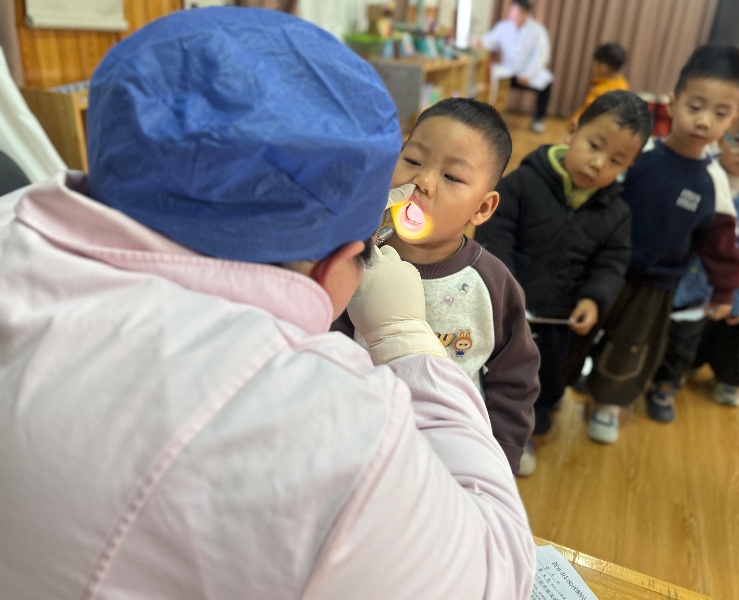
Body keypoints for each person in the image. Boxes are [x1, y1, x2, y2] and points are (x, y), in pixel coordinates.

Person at [0, 8, 537, 599]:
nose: (425, 182)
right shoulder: (334, 433)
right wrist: (406, 337)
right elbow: (493, 574)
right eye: (411, 159)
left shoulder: (12, 222)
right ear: (338, 265)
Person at [335, 97, 541, 476]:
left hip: (447, 458)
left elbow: (515, 380)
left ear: (482, 208)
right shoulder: (356, 257)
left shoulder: (491, 284)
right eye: (413, 160)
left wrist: (500, 459)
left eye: (452, 177)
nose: (423, 182)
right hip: (358, 443)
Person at [582, 44, 739, 444]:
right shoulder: (638, 153)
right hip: (604, 268)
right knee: (580, 329)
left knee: (631, 346)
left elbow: (721, 244)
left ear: (734, 118)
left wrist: (725, 291)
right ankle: (559, 386)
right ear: (673, 103)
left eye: (720, 114)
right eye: (695, 106)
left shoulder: (714, 182)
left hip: (656, 284)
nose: (704, 121)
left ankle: (608, 404)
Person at [475, 90, 652, 454]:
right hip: (505, 309)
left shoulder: (616, 213)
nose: (598, 164)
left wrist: (594, 298)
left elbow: (612, 261)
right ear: (571, 132)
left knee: (549, 375)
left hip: (561, 317)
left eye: (616, 161)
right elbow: (496, 234)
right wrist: (504, 288)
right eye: (594, 146)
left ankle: (529, 430)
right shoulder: (523, 183)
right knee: (493, 369)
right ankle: (483, 422)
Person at [646, 88, 739, 418]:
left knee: (682, 345)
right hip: (664, 277)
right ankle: (618, 377)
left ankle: (665, 387)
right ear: (724, 134)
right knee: (641, 331)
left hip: (702, 294)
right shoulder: (698, 174)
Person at [481, 0, 553, 133]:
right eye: (511, 12)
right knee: (491, 80)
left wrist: (528, 74)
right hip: (507, 70)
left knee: (547, 83)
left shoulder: (538, 30)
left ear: (526, 13)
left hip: (529, 72)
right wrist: (479, 41)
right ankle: (495, 114)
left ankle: (538, 119)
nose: (512, 16)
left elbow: (541, 55)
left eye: (517, 13)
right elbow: (490, 41)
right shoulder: (503, 27)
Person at [569, 43, 630, 124]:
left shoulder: (602, 91)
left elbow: (587, 114)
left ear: (603, 66)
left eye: (597, 63)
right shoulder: (623, 83)